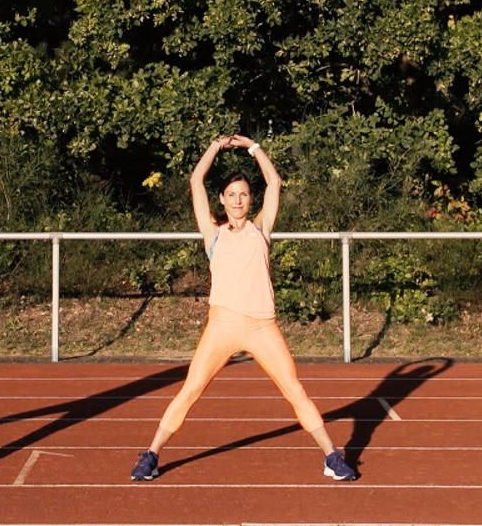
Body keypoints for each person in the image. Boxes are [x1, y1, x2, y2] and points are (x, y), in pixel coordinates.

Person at [129, 134, 358, 482]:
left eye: (243, 195)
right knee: (190, 389)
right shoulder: (213, 233)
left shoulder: (261, 229)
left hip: (263, 327)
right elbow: (195, 181)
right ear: (222, 199)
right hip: (222, 326)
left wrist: (252, 147)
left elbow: (275, 181)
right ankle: (151, 455)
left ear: (251, 200)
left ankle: (331, 456)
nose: (237, 200)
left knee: (294, 390)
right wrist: (215, 147)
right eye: (231, 195)